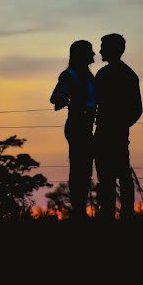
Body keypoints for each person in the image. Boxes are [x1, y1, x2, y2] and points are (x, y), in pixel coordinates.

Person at [94, 33, 142, 220]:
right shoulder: (125, 74)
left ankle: (117, 214)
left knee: (115, 175)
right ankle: (116, 213)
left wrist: (118, 124)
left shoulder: (109, 75)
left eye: (103, 47)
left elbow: (136, 109)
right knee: (113, 176)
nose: (100, 51)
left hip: (112, 132)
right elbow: (136, 110)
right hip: (112, 131)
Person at [50, 40, 96, 219]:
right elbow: (56, 98)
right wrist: (74, 98)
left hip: (87, 125)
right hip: (77, 125)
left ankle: (80, 208)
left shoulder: (89, 76)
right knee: (79, 169)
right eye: (89, 52)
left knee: (85, 169)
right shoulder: (69, 75)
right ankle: (78, 210)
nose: (94, 55)